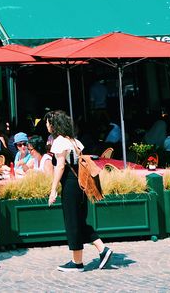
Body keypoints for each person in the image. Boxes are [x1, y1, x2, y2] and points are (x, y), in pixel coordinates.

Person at [45, 110, 113, 273]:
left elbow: (60, 166)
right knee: (80, 221)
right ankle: (102, 250)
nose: (46, 126)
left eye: (47, 123)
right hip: (81, 184)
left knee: (72, 222)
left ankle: (77, 263)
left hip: (70, 184)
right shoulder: (74, 141)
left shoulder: (59, 142)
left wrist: (53, 189)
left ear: (54, 125)